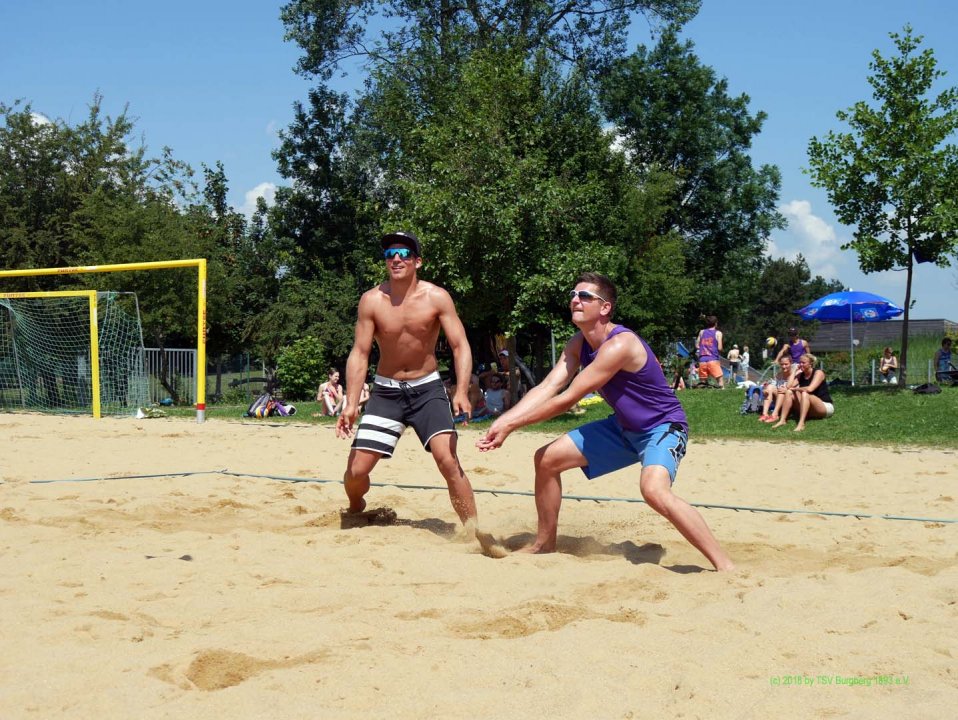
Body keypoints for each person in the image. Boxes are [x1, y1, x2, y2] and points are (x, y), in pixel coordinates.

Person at [476, 272, 734, 571]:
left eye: (585, 296)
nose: (575, 299)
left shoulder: (620, 344)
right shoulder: (578, 342)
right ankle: (544, 544)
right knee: (547, 459)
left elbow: (567, 399)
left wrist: (511, 426)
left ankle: (724, 566)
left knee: (653, 491)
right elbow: (548, 387)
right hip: (622, 427)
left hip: (663, 427)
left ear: (605, 307)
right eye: (573, 294)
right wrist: (505, 419)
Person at [336, 231, 479, 526]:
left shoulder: (437, 297)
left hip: (427, 389)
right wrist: (351, 403)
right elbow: (360, 353)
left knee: (448, 460)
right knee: (356, 472)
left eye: (403, 253)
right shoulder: (371, 300)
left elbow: (460, 345)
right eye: (390, 254)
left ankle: (473, 530)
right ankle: (356, 505)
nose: (396, 258)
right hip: (386, 392)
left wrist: (462, 390)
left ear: (417, 261)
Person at [772, 353, 834, 432]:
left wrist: (795, 389)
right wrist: (794, 371)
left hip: (824, 407)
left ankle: (801, 423)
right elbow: (788, 386)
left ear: (811, 364)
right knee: (789, 392)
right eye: (800, 362)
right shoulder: (801, 375)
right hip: (810, 407)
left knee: (804, 393)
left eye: (803, 363)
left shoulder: (818, 373)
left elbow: (810, 389)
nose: (801, 364)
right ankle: (782, 420)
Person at [759, 355, 796, 423]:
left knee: (781, 389)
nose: (784, 366)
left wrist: (794, 371)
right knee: (769, 388)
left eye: (786, 364)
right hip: (779, 399)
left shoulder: (795, 374)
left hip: (790, 402)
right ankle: (765, 414)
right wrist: (765, 388)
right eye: (782, 364)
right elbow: (771, 383)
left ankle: (775, 415)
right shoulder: (779, 374)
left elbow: (790, 386)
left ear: (791, 363)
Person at [695, 315, 724, 388]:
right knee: (720, 381)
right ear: (716, 323)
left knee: (703, 383)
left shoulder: (702, 332)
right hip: (713, 359)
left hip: (702, 360)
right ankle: (722, 392)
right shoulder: (718, 333)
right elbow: (720, 348)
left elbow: (697, 345)